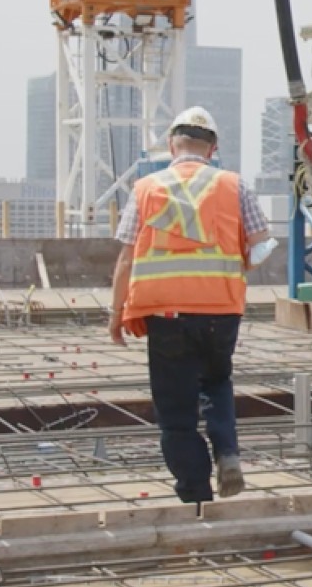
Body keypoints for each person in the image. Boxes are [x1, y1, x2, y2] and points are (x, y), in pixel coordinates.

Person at [108, 107, 276, 504]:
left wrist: (116, 314)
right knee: (216, 383)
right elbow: (261, 243)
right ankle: (228, 453)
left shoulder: (146, 188)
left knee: (176, 413)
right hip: (220, 311)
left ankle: (196, 494)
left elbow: (126, 258)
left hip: (166, 316)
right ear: (212, 148)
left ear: (171, 145)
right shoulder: (234, 186)